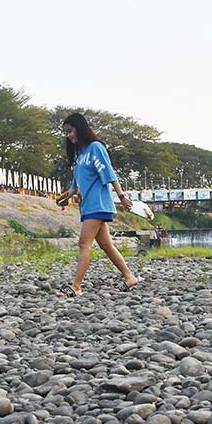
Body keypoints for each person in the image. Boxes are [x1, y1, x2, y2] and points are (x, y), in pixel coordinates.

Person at [59, 112, 138, 297]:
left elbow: (109, 173)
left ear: (80, 128)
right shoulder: (79, 155)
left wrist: (121, 196)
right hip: (88, 205)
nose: (69, 136)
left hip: (99, 203)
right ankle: (130, 277)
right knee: (106, 245)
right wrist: (65, 196)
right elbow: (76, 184)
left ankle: (76, 286)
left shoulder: (95, 148)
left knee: (84, 243)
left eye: (70, 131)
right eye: (66, 133)